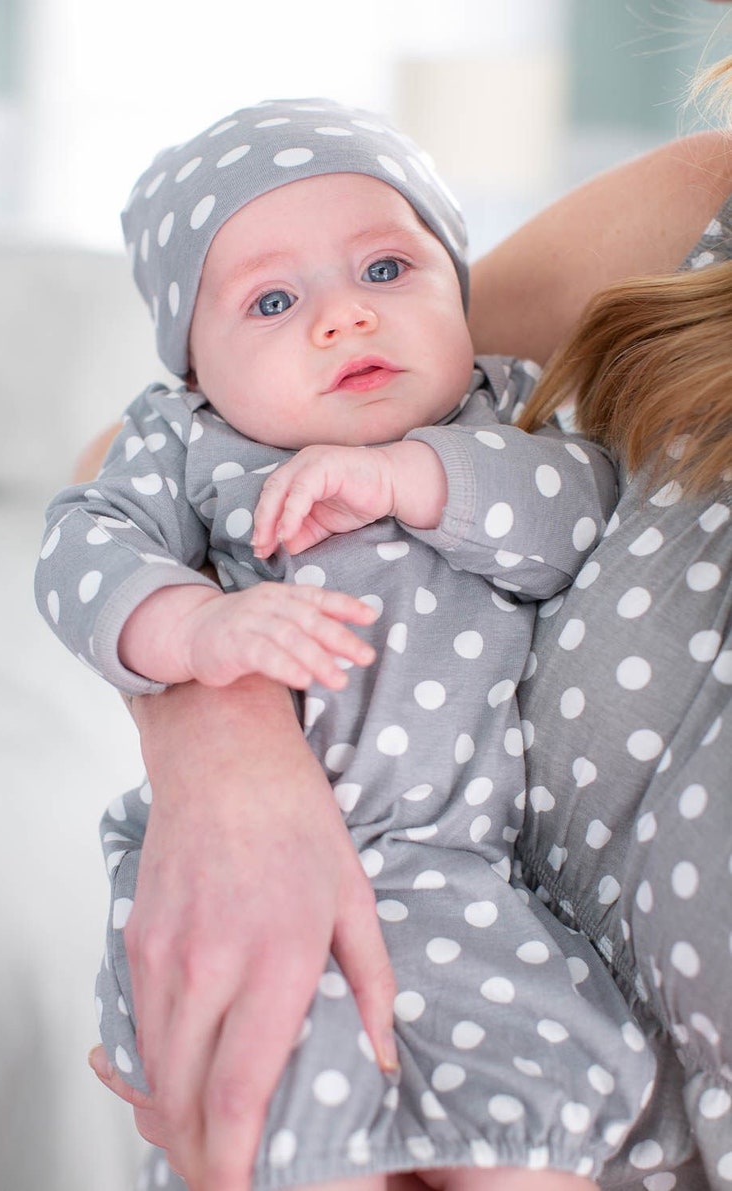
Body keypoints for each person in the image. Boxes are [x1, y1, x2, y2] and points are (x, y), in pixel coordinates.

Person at [79, 46, 731, 1191]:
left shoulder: (487, 424)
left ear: (447, 280)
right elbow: (85, 535)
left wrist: (414, 479)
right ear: (192, 366)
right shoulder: (188, 438)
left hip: (455, 885)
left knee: (535, 1141)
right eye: (272, 302)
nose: (342, 318)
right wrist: (202, 669)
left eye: (386, 268)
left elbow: (572, 515)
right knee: (289, 1149)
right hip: (269, 905)